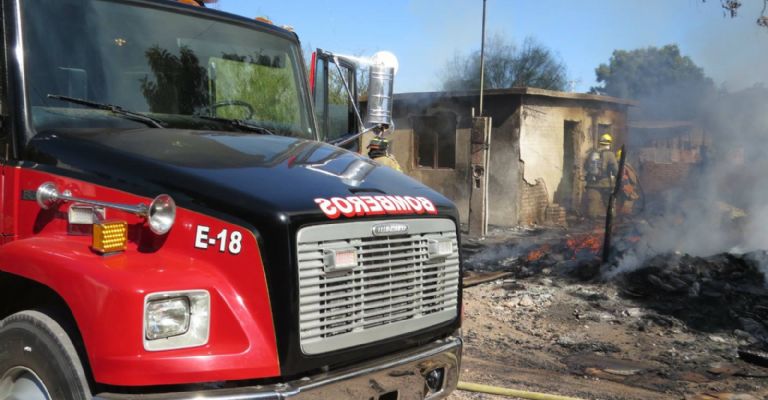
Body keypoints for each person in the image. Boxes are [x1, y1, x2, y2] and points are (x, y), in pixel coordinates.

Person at [583, 133, 618, 219]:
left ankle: (590, 225)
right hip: (606, 184)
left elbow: (585, 166)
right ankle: (612, 224)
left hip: (592, 184)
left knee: (592, 205)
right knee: (609, 204)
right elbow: (616, 169)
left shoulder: (592, 153)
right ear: (609, 143)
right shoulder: (610, 154)